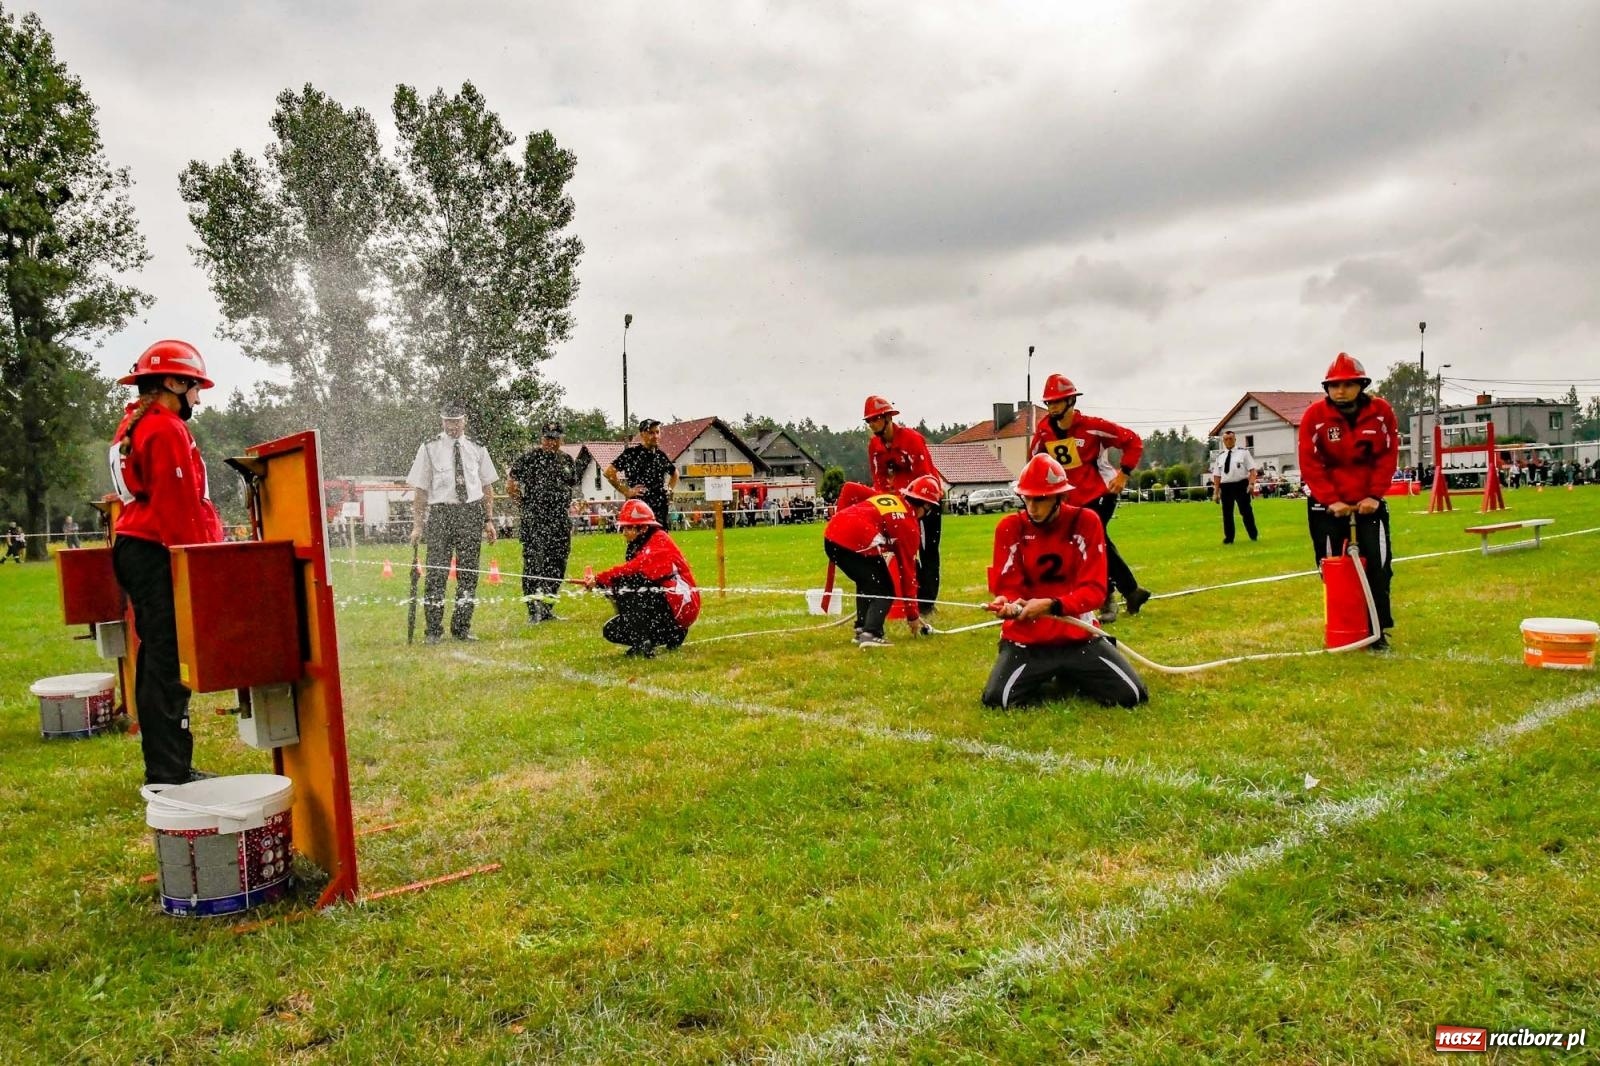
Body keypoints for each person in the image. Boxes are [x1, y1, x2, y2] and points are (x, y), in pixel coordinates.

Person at [107, 339, 226, 786]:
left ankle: (168, 767)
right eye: (195, 387)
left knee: (157, 661)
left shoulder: (134, 426)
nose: (198, 397)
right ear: (174, 382)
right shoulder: (165, 429)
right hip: (159, 551)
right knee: (166, 666)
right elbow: (180, 510)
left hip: (140, 547)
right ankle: (169, 772)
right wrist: (200, 566)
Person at [980, 454, 1148, 709]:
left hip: (1078, 636)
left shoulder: (1086, 522)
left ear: (1060, 497)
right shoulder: (1009, 527)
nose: (1033, 507)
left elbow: (1094, 591)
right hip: (1028, 642)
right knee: (998, 700)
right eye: (1027, 498)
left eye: (1041, 498)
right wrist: (1006, 601)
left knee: (1132, 696)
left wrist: (1052, 604)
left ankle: (1073, 671)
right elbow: (1007, 585)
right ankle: (1051, 673)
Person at [1028, 373, 1151, 623]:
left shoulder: (1094, 426)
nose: (1051, 407)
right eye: (1049, 402)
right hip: (1070, 500)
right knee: (1095, 544)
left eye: (1057, 402)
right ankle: (1131, 591)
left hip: (1100, 493)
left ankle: (1108, 597)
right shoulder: (1043, 432)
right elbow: (1034, 460)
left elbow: (1133, 442)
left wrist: (1123, 474)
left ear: (1071, 401)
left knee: (1094, 544)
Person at [1298, 352, 1400, 651]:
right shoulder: (1314, 417)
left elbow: (1387, 455)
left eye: (1347, 384)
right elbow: (1310, 462)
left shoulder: (1382, 413)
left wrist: (1374, 495)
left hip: (1368, 505)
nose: (1340, 391)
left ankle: (1377, 630)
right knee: (1334, 569)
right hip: (1326, 508)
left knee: (1379, 568)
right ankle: (1343, 627)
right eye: (1334, 385)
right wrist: (1331, 500)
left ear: (1361, 385)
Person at [407, 404, 499, 644]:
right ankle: (433, 631)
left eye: (457, 421)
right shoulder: (429, 448)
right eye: (448, 421)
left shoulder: (477, 448)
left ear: (464, 421)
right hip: (441, 514)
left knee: (468, 574)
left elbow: (487, 487)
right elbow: (421, 489)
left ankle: (461, 627)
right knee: (436, 573)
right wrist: (418, 525)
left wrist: (488, 520)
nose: (453, 426)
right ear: (442, 422)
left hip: (470, 513)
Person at [822, 475, 941, 647]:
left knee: (868, 582)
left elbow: (849, 488)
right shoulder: (909, 524)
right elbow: (908, 574)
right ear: (926, 505)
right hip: (852, 541)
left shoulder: (891, 499)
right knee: (884, 589)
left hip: (832, 535)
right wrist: (913, 615)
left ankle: (862, 628)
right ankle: (871, 633)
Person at [583, 498, 701, 657]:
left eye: (628, 528)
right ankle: (670, 634)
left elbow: (633, 569)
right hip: (671, 604)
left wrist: (599, 578)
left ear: (643, 528)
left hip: (682, 605)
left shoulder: (659, 541)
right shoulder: (642, 542)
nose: (624, 532)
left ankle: (644, 641)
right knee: (612, 630)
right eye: (623, 528)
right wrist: (600, 583)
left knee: (625, 583)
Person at [864, 395, 945, 616]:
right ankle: (911, 597)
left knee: (928, 552)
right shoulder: (874, 446)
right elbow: (878, 479)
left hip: (926, 502)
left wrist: (915, 502)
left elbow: (925, 475)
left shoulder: (912, 440)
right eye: (868, 421)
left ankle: (927, 603)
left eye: (875, 420)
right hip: (899, 505)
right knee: (904, 551)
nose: (871, 425)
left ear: (888, 418)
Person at [508, 421, 579, 623]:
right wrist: (524, 507)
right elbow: (511, 485)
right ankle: (533, 611)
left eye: (556, 438)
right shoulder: (530, 458)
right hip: (535, 520)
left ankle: (547, 608)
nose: (552, 442)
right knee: (533, 564)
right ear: (542, 438)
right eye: (548, 438)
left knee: (557, 564)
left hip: (559, 520)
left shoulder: (566, 459)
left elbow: (571, 485)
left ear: (561, 439)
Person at [605, 418, 678, 527]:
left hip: (660, 508)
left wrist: (669, 489)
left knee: (659, 540)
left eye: (657, 432)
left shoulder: (660, 455)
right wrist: (626, 491)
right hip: (639, 508)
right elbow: (609, 472)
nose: (655, 436)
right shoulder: (631, 454)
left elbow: (675, 473)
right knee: (639, 541)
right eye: (651, 433)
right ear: (642, 434)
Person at [1210, 430, 1260, 544]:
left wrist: (1251, 484)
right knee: (1227, 514)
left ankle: (1253, 535)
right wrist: (1216, 492)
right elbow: (1217, 475)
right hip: (1226, 486)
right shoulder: (1220, 456)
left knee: (1246, 511)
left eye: (1230, 439)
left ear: (1235, 439)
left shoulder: (1243, 453)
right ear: (1223, 441)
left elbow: (1252, 470)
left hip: (1240, 485)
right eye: (1226, 439)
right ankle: (1229, 538)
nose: (1228, 441)